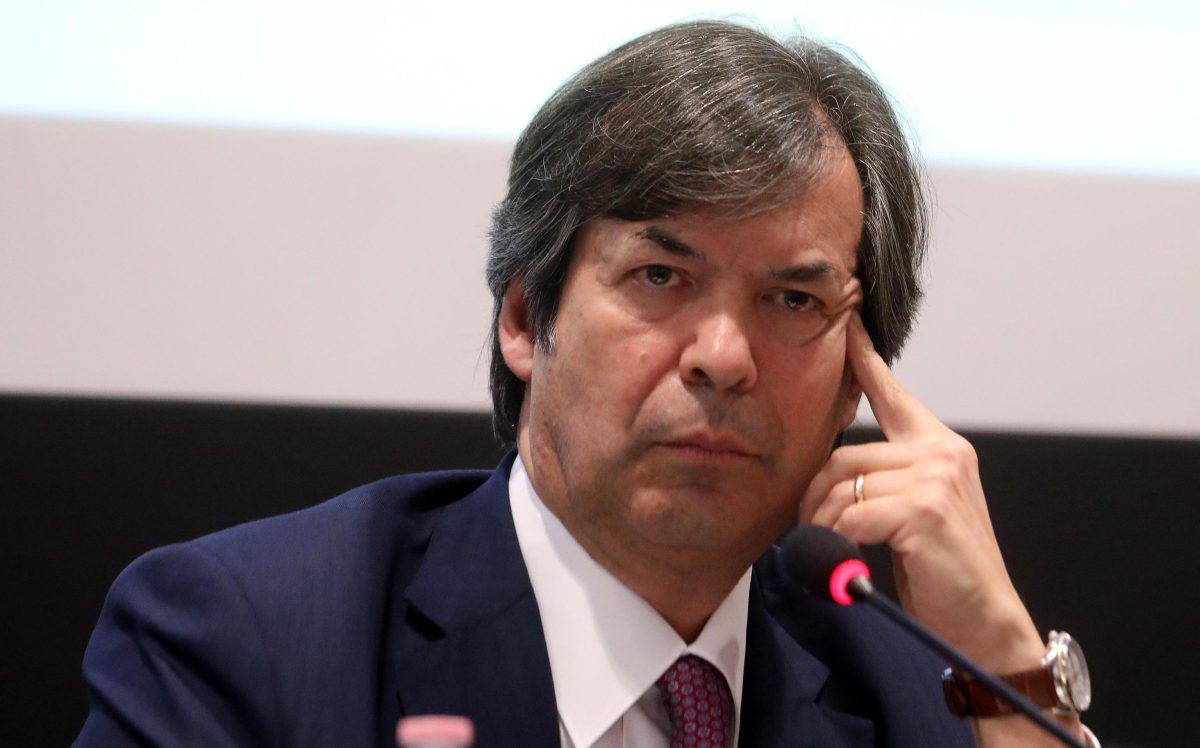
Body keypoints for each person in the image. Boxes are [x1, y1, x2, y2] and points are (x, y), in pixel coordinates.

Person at [74, 20, 1093, 748]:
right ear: (526, 318)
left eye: (793, 300)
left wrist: (1009, 668)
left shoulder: (920, 688)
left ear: (854, 387)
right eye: (660, 278)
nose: (724, 356)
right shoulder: (251, 641)